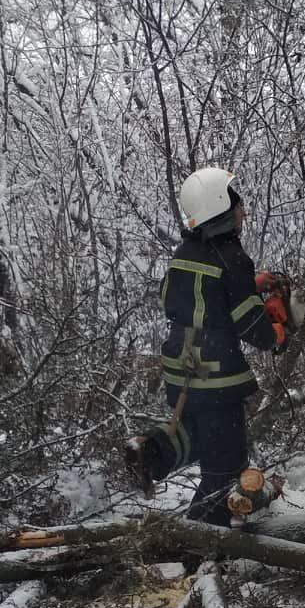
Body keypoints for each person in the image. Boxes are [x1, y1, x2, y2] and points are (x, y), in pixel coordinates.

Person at [125, 167, 288, 526]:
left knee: (199, 432)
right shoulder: (233, 259)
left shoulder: (185, 251)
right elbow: (251, 325)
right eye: (237, 203)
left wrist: (249, 283)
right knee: (227, 464)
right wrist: (276, 333)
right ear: (222, 207)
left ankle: (152, 450)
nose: (243, 210)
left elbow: (176, 297)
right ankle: (200, 536)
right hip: (217, 374)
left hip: (182, 366)